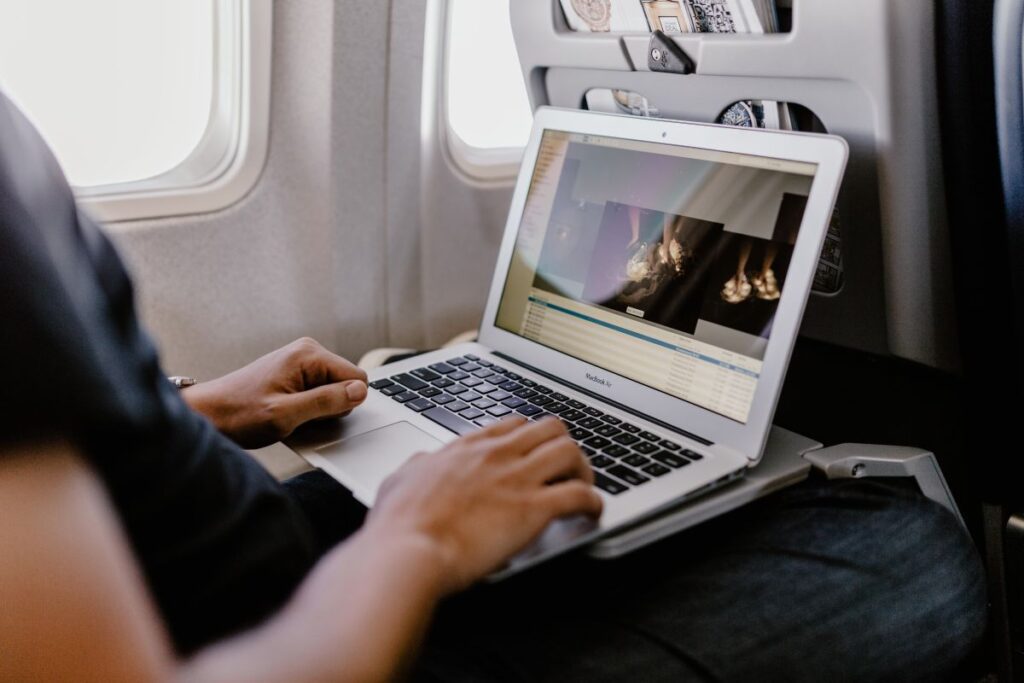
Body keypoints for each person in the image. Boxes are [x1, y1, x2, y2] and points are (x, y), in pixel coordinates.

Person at [0, 89, 988, 681]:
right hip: (319, 639)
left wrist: (200, 409)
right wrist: (416, 542)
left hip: (255, 557)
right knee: (906, 548)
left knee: (596, 500)